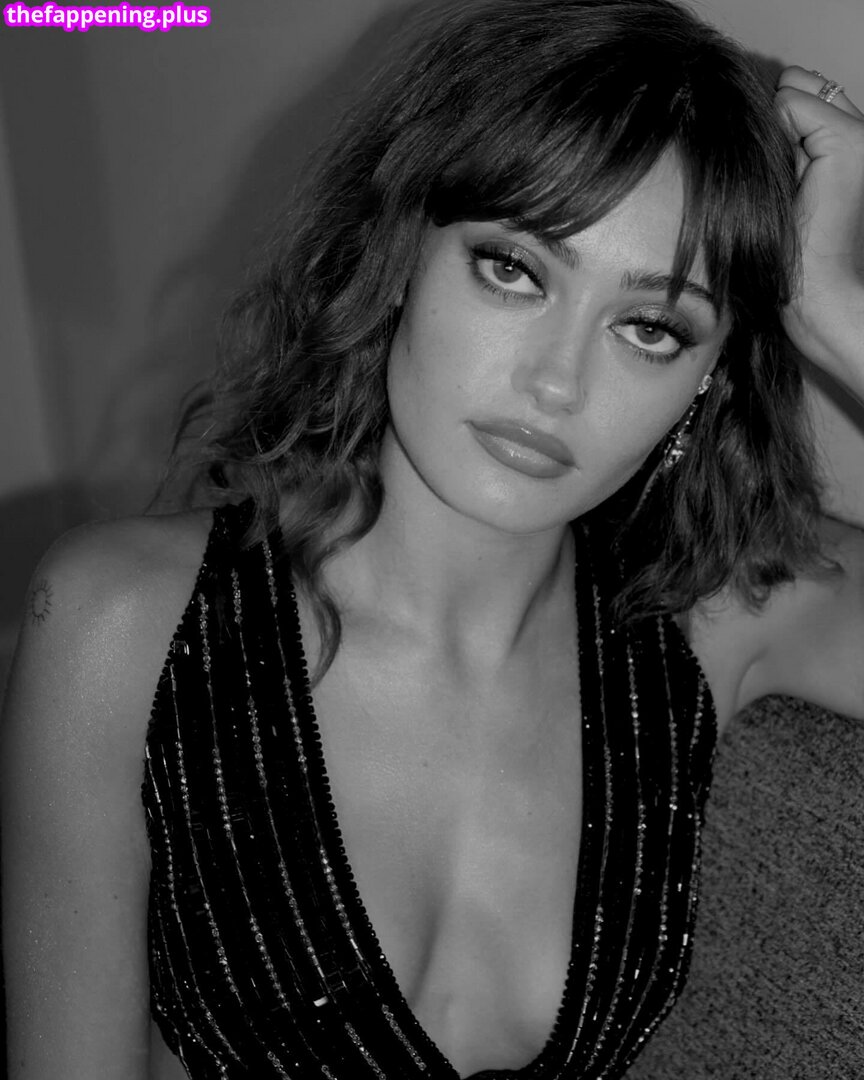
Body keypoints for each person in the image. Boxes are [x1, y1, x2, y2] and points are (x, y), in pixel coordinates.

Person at [2, 0, 863, 1077]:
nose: (556, 383)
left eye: (650, 326)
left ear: (707, 379)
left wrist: (844, 315)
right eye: (514, 269)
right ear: (399, 250)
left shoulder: (710, 612)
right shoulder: (124, 626)